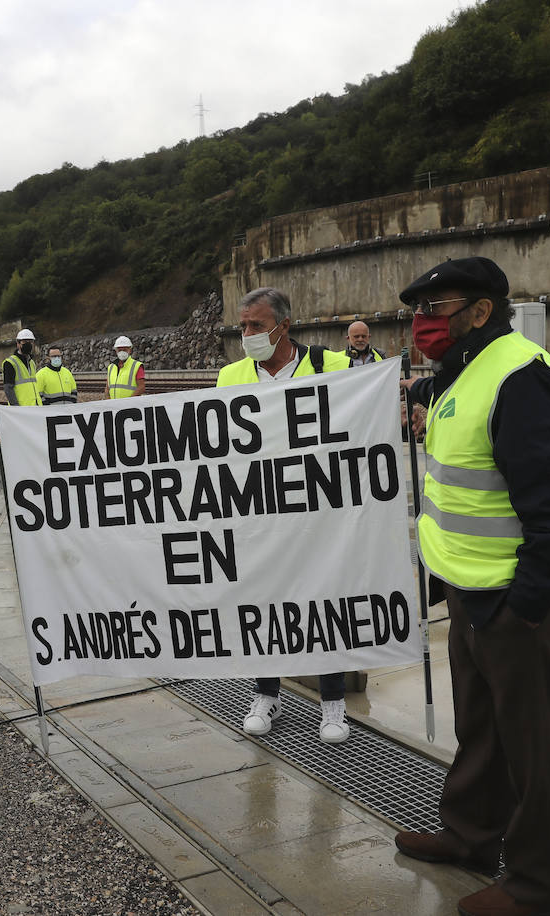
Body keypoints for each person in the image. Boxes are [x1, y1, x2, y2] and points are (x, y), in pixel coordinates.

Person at [393, 257, 550, 916]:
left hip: (514, 598)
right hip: (468, 589)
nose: (424, 323)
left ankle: (534, 886)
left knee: (532, 747)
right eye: (418, 312)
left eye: (437, 309)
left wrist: (527, 607)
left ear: (481, 311)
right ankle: (472, 836)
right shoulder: (463, 370)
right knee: (481, 727)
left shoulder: (520, 377)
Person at [216, 287, 352, 744]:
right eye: (243, 326)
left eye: (256, 325)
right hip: (258, 515)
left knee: (325, 602)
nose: (248, 334)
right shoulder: (231, 376)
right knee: (264, 602)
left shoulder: (330, 365)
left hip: (318, 512)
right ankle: (266, 693)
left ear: (284, 325)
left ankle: (333, 703)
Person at [3, 328, 40, 406]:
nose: (28, 344)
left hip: (35, 407)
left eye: (30, 341)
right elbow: (8, 389)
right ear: (18, 343)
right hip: (21, 409)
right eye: (25, 341)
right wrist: (16, 408)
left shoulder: (32, 363)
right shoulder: (10, 363)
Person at [104, 335, 145, 399]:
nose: (122, 352)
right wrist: (108, 401)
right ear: (116, 350)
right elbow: (107, 388)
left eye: (125, 350)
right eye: (119, 350)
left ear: (130, 350)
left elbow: (141, 387)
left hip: (130, 406)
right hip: (114, 407)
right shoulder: (111, 367)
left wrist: (127, 402)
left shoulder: (136, 366)